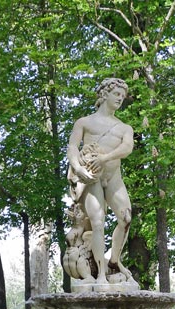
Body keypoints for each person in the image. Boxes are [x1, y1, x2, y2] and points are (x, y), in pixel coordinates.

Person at [66, 77, 134, 286]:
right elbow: (72, 148)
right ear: (105, 94)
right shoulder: (85, 122)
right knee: (97, 222)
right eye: (116, 94)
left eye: (123, 96)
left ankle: (114, 260)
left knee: (126, 218)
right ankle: (101, 274)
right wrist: (78, 168)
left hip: (113, 177)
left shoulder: (125, 128)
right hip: (91, 177)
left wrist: (104, 158)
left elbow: (127, 148)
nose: (120, 99)